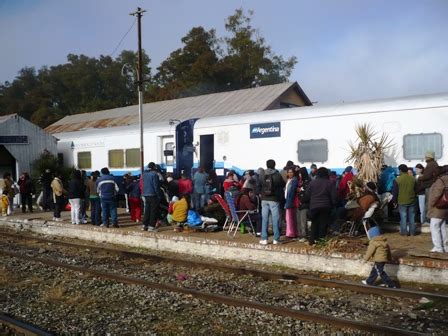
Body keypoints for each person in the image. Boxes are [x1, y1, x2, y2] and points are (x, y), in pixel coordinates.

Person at [304, 167, 336, 245]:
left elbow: (307, 195)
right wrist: (333, 205)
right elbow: (334, 197)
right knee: (323, 225)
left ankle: (312, 240)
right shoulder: (330, 183)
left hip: (314, 206)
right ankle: (321, 241)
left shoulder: (312, 183)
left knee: (314, 223)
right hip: (325, 206)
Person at [259, 159, 285, 245]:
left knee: (264, 219)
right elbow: (282, 184)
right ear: (274, 165)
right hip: (274, 199)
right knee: (275, 219)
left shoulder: (262, 174)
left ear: (266, 165)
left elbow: (259, 185)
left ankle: (264, 238)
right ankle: (276, 239)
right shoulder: (277, 174)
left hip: (264, 199)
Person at [427, 165, 448, 253]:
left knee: (434, 227)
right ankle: (445, 247)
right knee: (442, 227)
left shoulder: (441, 180)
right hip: (445, 207)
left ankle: (438, 247)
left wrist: (431, 205)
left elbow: (436, 194)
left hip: (437, 208)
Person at [392, 164, 416, 236]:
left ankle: (404, 233)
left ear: (400, 170)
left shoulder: (397, 180)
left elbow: (395, 192)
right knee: (412, 218)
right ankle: (412, 233)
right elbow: (416, 189)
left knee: (403, 218)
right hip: (412, 200)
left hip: (402, 201)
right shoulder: (413, 179)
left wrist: (394, 201)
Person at [418, 150, 439, 218]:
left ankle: (428, 219)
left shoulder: (430, 165)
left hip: (429, 186)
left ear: (429, 157)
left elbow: (427, 176)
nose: (425, 157)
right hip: (433, 185)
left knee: (428, 203)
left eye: (426, 156)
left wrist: (419, 178)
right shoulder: (435, 163)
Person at [142, 162, 161, 231]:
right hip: (153, 194)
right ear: (154, 167)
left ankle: (144, 225)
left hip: (145, 194)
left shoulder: (144, 174)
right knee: (153, 211)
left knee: (147, 210)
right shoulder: (154, 174)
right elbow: (156, 186)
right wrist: (159, 194)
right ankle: (151, 226)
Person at [284, 168, 299, 238]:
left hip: (290, 201)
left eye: (291, 172)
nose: (290, 173)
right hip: (288, 200)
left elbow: (292, 191)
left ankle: (291, 233)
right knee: (289, 217)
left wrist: (289, 201)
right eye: (289, 172)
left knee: (290, 217)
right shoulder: (289, 180)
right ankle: (291, 232)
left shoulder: (294, 180)